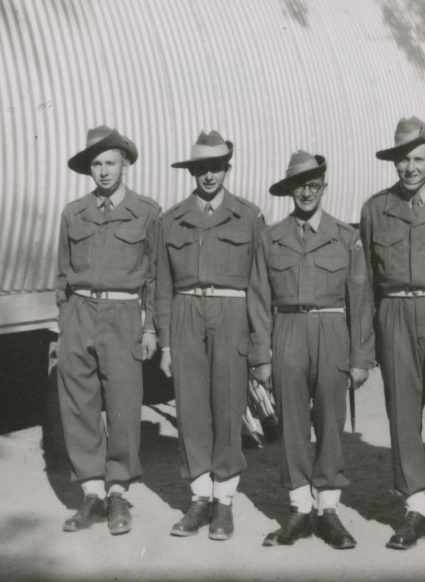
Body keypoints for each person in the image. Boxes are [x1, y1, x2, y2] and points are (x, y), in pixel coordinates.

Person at [248, 150, 375, 550]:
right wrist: (261, 356)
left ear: (324, 186)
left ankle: (329, 511)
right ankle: (300, 509)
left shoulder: (346, 236)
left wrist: (360, 356)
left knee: (331, 422)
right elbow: (258, 298)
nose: (306, 192)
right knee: (292, 424)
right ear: (288, 190)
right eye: (299, 185)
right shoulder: (270, 238)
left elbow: (361, 298)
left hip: (333, 330)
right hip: (287, 330)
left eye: (313, 184)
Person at [359, 117, 425, 553]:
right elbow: (364, 281)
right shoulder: (375, 210)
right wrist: (364, 347)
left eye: (418, 158)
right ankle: (414, 507)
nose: (410, 167)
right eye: (403, 159)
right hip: (394, 313)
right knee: (402, 411)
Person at [155, 130, 264, 541]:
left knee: (227, 403)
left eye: (216, 167)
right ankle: (200, 497)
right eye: (201, 168)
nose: (209, 176)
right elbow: (161, 285)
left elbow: (259, 286)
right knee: (192, 408)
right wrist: (165, 341)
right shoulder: (171, 219)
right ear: (192, 171)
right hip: (185, 314)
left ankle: (224, 501)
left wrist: (259, 344)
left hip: (231, 313)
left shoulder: (248, 217)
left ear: (226, 169)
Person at [55, 125, 160, 535]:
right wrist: (66, 321)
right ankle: (93, 494)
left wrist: (151, 327)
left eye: (111, 162)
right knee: (78, 405)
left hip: (122, 314)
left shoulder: (147, 212)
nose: (103, 171)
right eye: (96, 164)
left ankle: (119, 493)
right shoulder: (73, 212)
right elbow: (62, 273)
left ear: (126, 164)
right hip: (79, 313)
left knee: (122, 404)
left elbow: (155, 278)